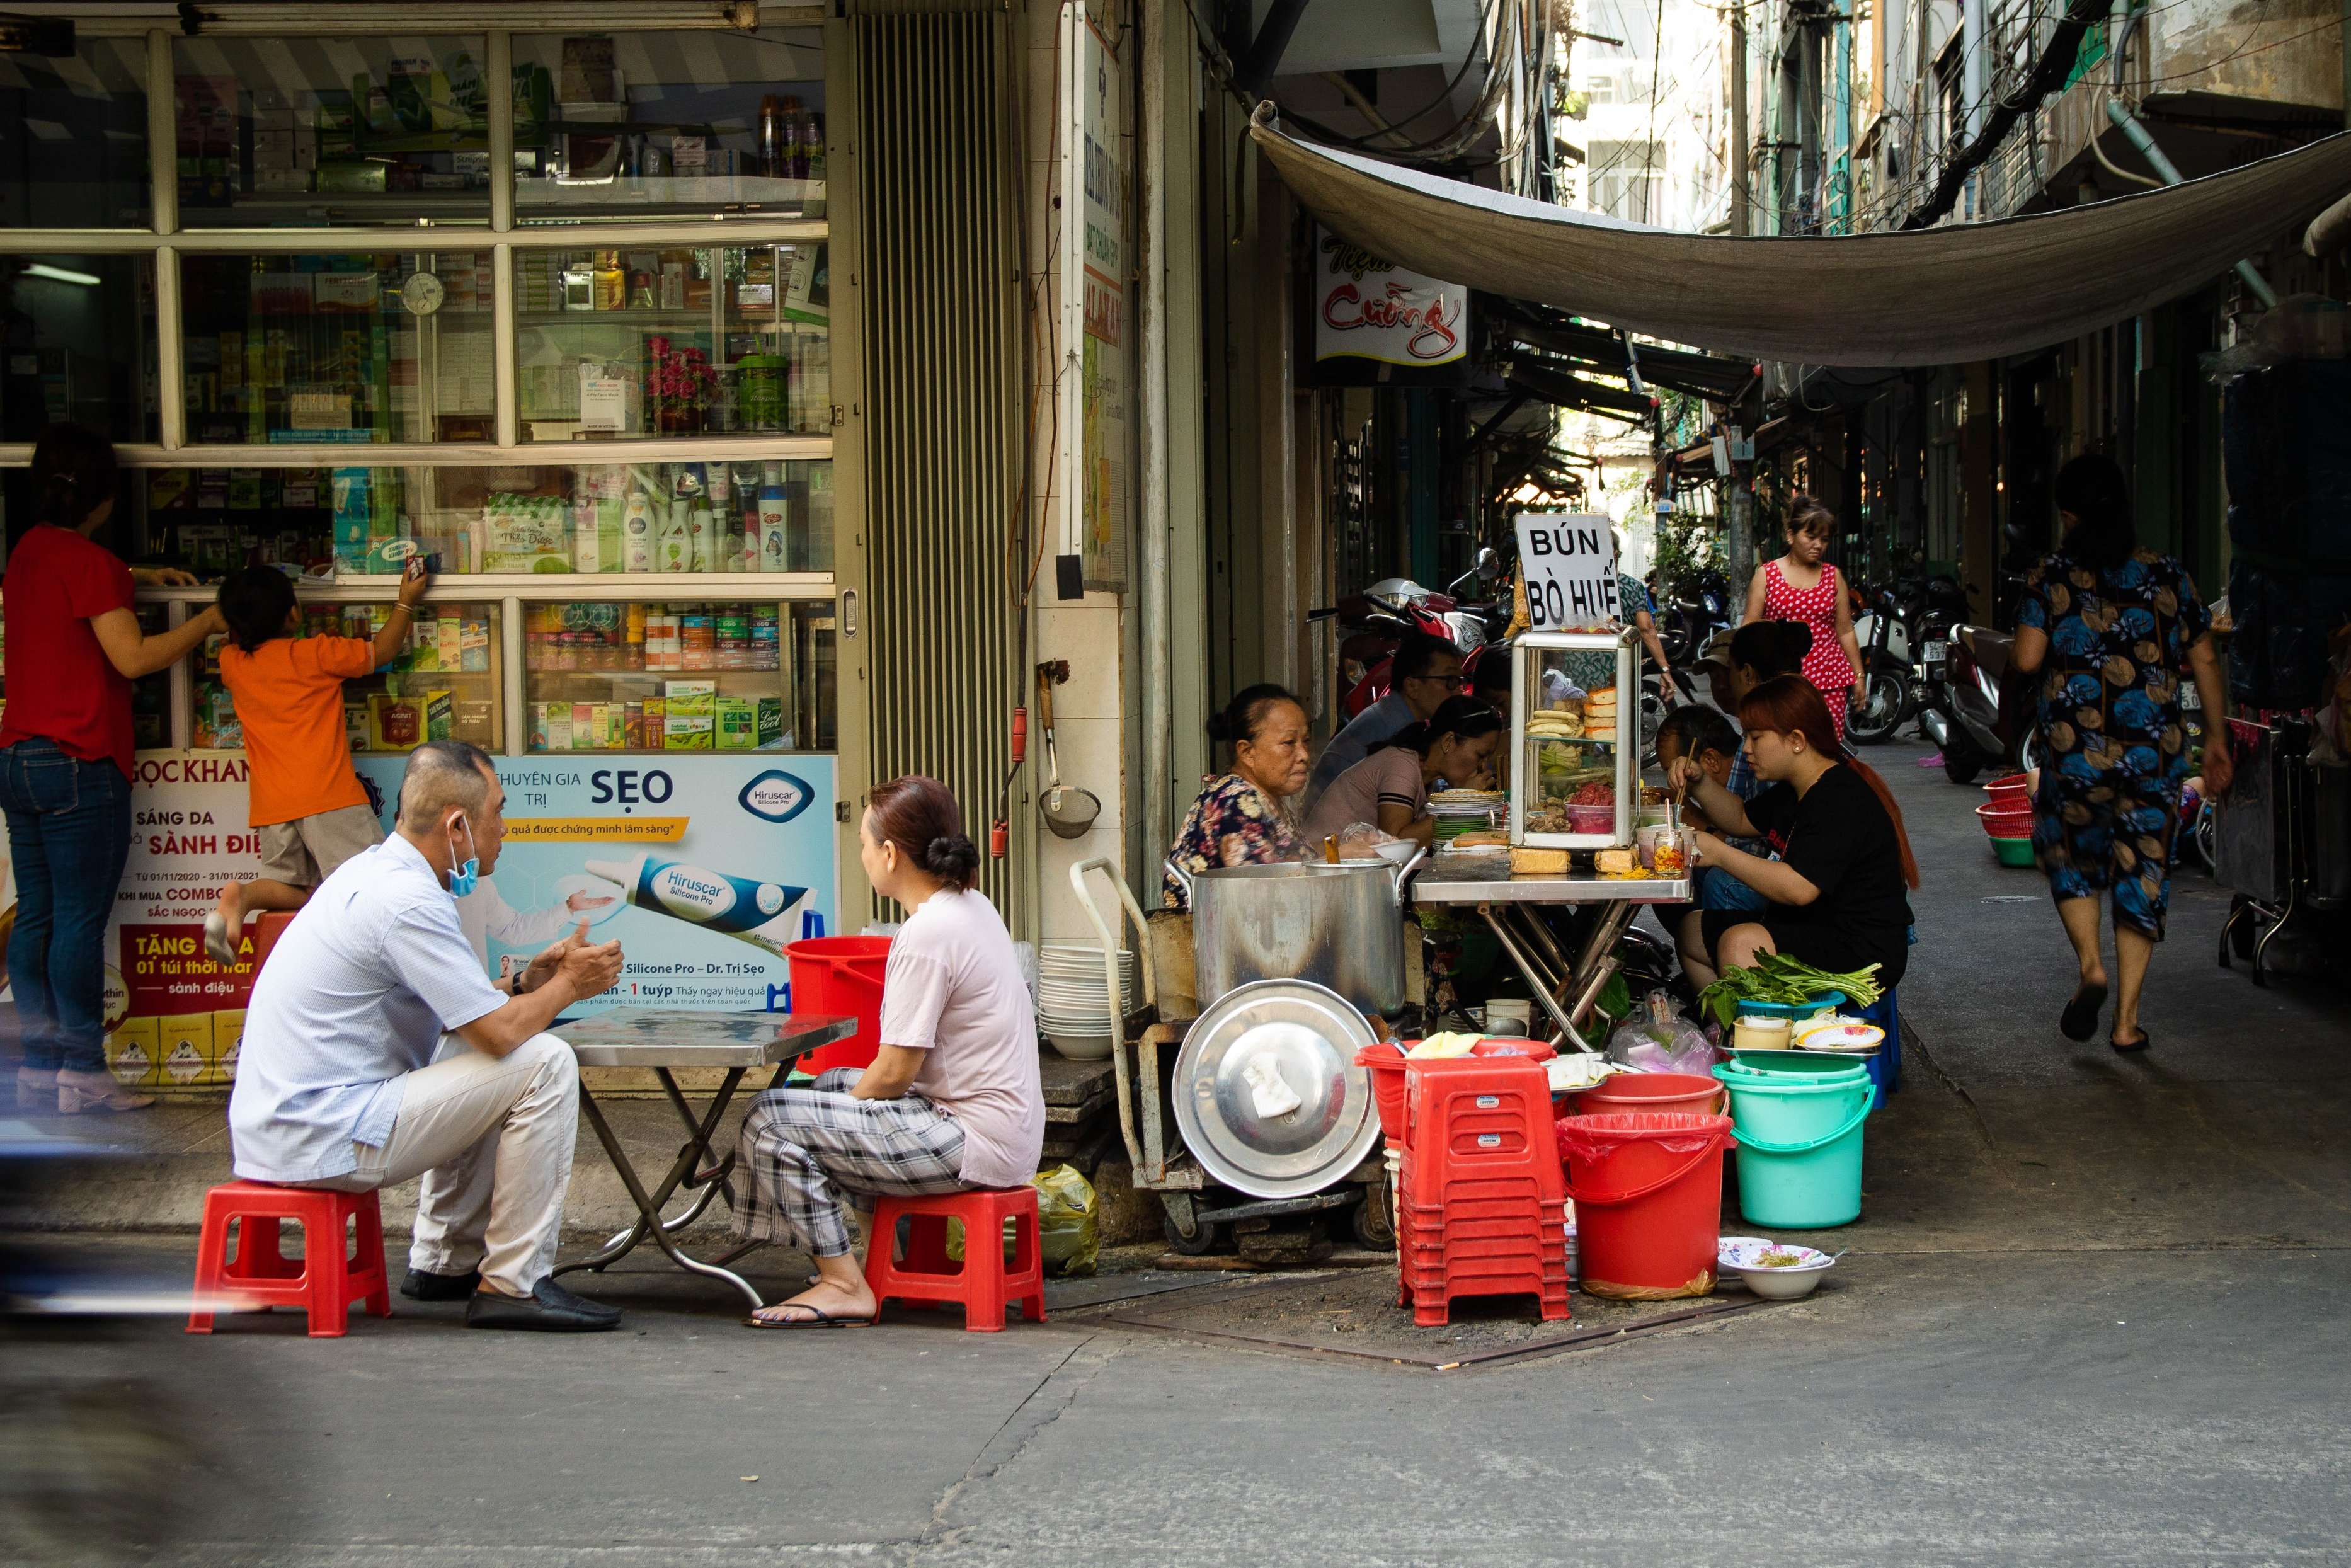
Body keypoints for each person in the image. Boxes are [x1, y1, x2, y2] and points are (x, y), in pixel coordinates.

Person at [227, 741, 629, 1331]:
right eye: (498, 812)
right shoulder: (406, 900)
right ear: (459, 825)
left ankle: (445, 1262)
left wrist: (526, 982)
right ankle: (513, 1283)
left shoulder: (376, 872)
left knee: (484, 1051)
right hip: (321, 1130)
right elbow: (495, 1035)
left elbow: (462, 1017)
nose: (504, 828)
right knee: (542, 1059)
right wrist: (570, 984)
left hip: (295, 1118)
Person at [736, 776, 1042, 1328]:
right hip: (1005, 1131)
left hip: (970, 1139)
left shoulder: (928, 934)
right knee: (829, 1088)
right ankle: (885, 1263)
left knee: (769, 1118)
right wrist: (842, 1105)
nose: (861, 855)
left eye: (861, 843)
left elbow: (896, 1072)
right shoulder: (972, 906)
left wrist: (843, 1113)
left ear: (889, 852)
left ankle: (842, 1283)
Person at [0, 425, 217, 1114]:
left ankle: (38, 1067)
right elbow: (133, 658)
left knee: (36, 913)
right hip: (79, 761)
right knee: (78, 923)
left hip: (17, 756)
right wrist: (208, 620)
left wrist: (140, 575)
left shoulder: (29, 550)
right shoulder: (91, 565)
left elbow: (80, 586)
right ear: (104, 498)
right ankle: (84, 1070)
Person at [2013, 452, 2232, 1053]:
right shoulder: (2168, 575)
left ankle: (2091, 967)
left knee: (2070, 856)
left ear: (2069, 516)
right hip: (2154, 755)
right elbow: (2206, 658)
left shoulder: (2050, 576)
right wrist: (2215, 738)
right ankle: (2128, 1023)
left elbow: (2028, 660)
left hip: (2075, 754)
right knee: (2145, 872)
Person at [202, 559, 432, 966]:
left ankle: (246, 895)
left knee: (294, 887)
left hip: (273, 807)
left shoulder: (233, 665)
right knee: (375, 886)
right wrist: (406, 603)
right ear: (294, 612)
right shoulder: (314, 655)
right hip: (330, 798)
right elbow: (382, 650)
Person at [1667, 676, 1918, 992]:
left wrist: (1719, 854)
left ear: (1796, 740)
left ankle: (1758, 1038)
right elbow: (1741, 819)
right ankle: (1725, 1032)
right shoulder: (1797, 788)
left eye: (1756, 737)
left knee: (1742, 942)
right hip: (1812, 927)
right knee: (1692, 931)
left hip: (1859, 951)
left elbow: (1799, 888)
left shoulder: (1839, 798)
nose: (1746, 748)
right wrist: (1700, 782)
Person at [1164, 684, 1312, 908]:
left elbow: (1289, 862)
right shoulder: (1234, 803)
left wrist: (1343, 852)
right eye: (1289, 743)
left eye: (1306, 741)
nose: (1304, 755)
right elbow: (1264, 899)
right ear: (1247, 752)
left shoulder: (1262, 797)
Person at [1303, 697, 1504, 847]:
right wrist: (1460, 800)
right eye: (1480, 755)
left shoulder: (1427, 777)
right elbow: (1396, 843)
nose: (1483, 767)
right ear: (1448, 742)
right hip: (1321, 865)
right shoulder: (1400, 764)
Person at [1742, 496, 1863, 744]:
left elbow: (1846, 631)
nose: (1818, 545)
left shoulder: (1833, 576)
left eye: (1825, 539)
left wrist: (1859, 677)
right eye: (1811, 536)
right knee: (1785, 749)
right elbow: (1749, 631)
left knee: (1827, 749)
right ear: (1791, 535)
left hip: (1830, 681)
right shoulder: (1767, 575)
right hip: (1780, 681)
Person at [1307, 633, 1461, 804]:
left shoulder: (1394, 713)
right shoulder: (1395, 731)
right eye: (1450, 680)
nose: (1458, 691)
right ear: (1412, 686)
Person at [1557, 561, 1680, 702]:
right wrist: (1665, 669)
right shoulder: (1631, 586)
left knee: (1575, 716)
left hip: (1576, 672)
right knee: (1621, 718)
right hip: (1618, 673)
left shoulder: (1569, 583)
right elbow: (1646, 629)